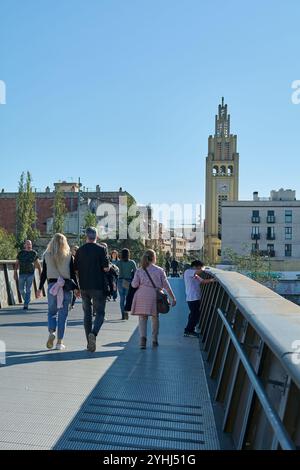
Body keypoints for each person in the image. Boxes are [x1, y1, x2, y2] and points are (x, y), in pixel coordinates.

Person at [37, 233, 78, 350]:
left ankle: (51, 332)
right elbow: (73, 274)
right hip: (66, 286)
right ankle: (59, 343)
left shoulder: (46, 255)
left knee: (51, 312)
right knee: (63, 315)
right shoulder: (69, 256)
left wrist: (39, 288)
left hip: (52, 286)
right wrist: (77, 288)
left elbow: (44, 273)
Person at [131, 249, 176, 349]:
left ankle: (143, 340)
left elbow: (134, 285)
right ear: (154, 258)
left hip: (141, 294)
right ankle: (154, 339)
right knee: (155, 317)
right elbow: (166, 285)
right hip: (155, 295)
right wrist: (173, 297)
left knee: (142, 318)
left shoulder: (139, 270)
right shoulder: (159, 270)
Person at [74, 227, 109, 352]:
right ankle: (93, 334)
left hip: (84, 286)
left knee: (87, 315)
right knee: (100, 313)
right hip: (98, 286)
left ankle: (89, 344)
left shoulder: (80, 250)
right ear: (96, 237)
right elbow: (106, 268)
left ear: (86, 237)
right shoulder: (101, 249)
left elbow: (76, 270)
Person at [183, 260, 215, 337]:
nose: (200, 269)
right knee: (195, 314)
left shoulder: (195, 275)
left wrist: (213, 280)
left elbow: (203, 281)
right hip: (192, 298)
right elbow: (199, 272)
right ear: (196, 266)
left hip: (196, 297)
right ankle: (188, 330)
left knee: (193, 314)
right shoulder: (188, 271)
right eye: (199, 267)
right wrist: (203, 268)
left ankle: (190, 329)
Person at [14, 240, 41, 310]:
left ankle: (26, 304)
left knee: (28, 289)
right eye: (27, 244)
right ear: (25, 245)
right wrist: (15, 273)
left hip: (30, 274)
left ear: (31, 245)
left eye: (30, 244)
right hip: (22, 274)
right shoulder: (20, 253)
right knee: (21, 290)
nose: (29, 245)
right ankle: (27, 299)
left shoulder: (34, 253)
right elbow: (16, 263)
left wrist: (40, 273)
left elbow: (38, 264)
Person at [116, 248, 137, 320]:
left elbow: (115, 272)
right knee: (127, 298)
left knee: (122, 298)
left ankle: (123, 314)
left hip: (120, 281)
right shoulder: (132, 262)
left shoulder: (118, 262)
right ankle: (126, 312)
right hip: (128, 281)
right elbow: (136, 272)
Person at [70, 245, 79, 309]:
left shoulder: (80, 257)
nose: (75, 251)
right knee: (72, 289)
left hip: (77, 276)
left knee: (75, 289)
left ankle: (72, 303)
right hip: (70, 275)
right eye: (74, 249)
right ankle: (70, 303)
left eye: (76, 249)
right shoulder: (69, 257)